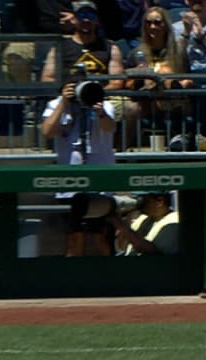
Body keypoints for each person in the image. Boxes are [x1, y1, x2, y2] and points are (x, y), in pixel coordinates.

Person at [42, 68, 118, 257]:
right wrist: (63, 103)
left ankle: (111, 275)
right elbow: (47, 131)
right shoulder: (56, 105)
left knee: (102, 234)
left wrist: (99, 112)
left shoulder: (103, 105)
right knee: (73, 236)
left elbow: (109, 128)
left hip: (99, 180)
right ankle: (73, 278)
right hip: (70, 181)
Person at [122, 7, 193, 149]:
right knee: (131, 109)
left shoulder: (178, 52)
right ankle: (123, 147)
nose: (152, 27)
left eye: (157, 22)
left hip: (174, 99)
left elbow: (187, 77)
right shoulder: (137, 53)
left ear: (165, 25)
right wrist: (138, 74)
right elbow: (126, 83)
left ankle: (179, 138)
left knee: (167, 73)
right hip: (146, 98)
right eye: (148, 23)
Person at [41, 1, 125, 91]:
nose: (86, 20)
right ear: (73, 19)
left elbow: (117, 81)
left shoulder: (111, 48)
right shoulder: (60, 47)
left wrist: (94, 93)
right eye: (81, 16)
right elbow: (47, 78)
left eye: (91, 16)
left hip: (101, 96)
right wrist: (65, 91)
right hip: (67, 97)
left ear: (97, 20)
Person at [107, 191, 180, 255]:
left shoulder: (174, 222)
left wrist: (119, 224)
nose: (138, 201)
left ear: (159, 201)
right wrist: (124, 215)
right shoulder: (143, 218)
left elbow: (154, 253)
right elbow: (122, 246)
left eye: (142, 198)